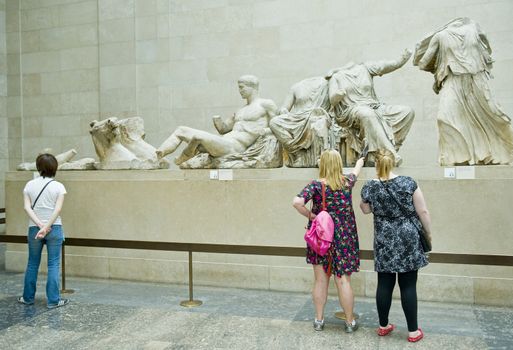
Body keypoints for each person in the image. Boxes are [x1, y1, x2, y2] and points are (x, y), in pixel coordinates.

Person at [414, 17, 513, 165]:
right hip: (453, 81)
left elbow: (423, 63)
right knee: (444, 118)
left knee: (491, 116)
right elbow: (422, 63)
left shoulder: (472, 30)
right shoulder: (442, 36)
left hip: (476, 81)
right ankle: (457, 159)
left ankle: (495, 153)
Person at [359, 149, 432, 342]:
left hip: (384, 239)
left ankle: (383, 326)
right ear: (392, 163)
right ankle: (413, 331)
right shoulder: (408, 182)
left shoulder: (370, 186)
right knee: (408, 285)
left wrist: (380, 209)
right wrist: (429, 233)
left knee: (384, 284)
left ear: (376, 165)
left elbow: (365, 209)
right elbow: (422, 211)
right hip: (408, 237)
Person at [293, 150, 364, 333]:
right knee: (343, 281)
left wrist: (311, 215)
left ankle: (318, 320)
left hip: (321, 239)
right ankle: (349, 323)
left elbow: (296, 202)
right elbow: (357, 170)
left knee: (320, 281)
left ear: (322, 164)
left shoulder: (316, 186)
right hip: (344, 239)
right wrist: (360, 161)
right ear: (339, 164)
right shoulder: (347, 182)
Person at [156, 75, 278, 166]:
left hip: (235, 147)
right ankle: (158, 154)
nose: (239, 91)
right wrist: (217, 120)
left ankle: (184, 157)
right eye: (238, 88)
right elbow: (223, 129)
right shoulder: (240, 111)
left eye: (242, 87)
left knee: (198, 138)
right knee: (181, 130)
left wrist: (264, 131)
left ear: (252, 87)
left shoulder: (266, 104)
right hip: (223, 141)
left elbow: (277, 125)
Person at [327, 49, 415, 166]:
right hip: (351, 111)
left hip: (374, 106)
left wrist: (402, 59)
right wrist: (338, 95)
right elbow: (332, 100)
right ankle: (389, 154)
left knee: (407, 112)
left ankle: (386, 147)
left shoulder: (365, 68)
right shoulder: (336, 77)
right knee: (367, 114)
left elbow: (388, 65)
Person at [17, 153, 69, 309]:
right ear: (54, 168)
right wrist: (47, 227)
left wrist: (40, 225)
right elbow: (57, 209)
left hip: (34, 229)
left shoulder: (29, 185)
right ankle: (53, 300)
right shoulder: (58, 186)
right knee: (53, 264)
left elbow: (27, 207)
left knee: (32, 263)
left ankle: (27, 298)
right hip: (54, 228)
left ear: (38, 167)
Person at [269, 76, 337, 167]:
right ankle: (296, 151)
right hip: (296, 118)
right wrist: (283, 111)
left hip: (316, 116)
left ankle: (319, 157)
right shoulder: (296, 87)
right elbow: (285, 107)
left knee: (318, 123)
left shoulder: (328, 84)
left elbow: (335, 100)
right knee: (274, 122)